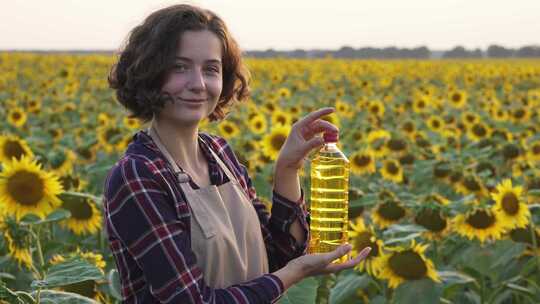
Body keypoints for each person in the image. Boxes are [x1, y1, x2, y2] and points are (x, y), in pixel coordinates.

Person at [104, 3, 371, 303]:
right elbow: (192, 300)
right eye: (179, 67)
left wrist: (288, 169)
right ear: (149, 72)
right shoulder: (138, 176)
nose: (198, 84)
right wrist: (294, 274)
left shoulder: (220, 155)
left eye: (211, 69)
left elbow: (276, 258)